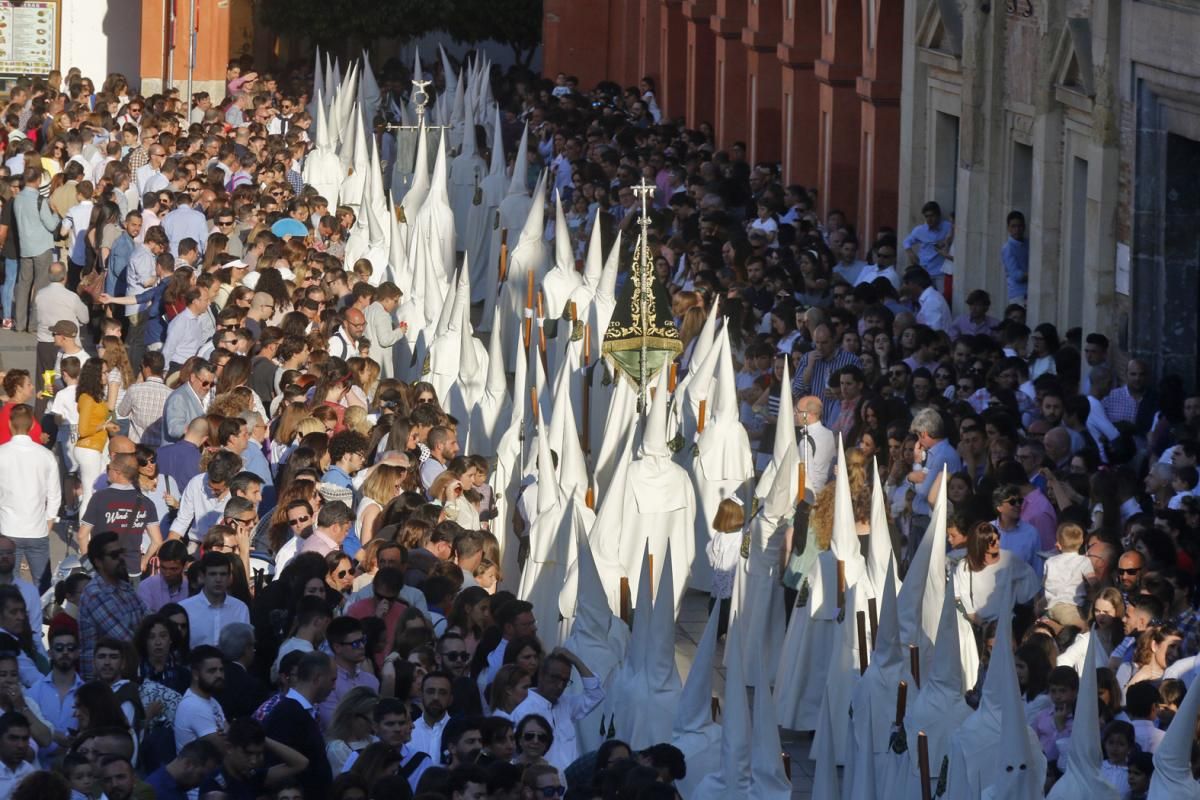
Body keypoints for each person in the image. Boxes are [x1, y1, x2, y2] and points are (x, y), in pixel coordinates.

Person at [510, 648, 605, 772]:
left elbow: (596, 694)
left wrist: (575, 660)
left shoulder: (567, 704)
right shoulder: (523, 710)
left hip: (570, 780)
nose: (560, 686)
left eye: (565, 681)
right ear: (541, 675)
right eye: (555, 678)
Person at [0, 406, 59, 587]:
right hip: (37, 528)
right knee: (43, 585)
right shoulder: (46, 455)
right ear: (33, 424)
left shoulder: (2, 453)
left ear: (10, 424)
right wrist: (49, 521)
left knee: (8, 584)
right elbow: (55, 494)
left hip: (8, 528)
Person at [263, 652, 335, 797]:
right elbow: (278, 765)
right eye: (332, 680)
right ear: (317, 678)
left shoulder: (302, 712)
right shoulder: (287, 714)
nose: (334, 687)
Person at [77, 531, 146, 680]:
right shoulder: (95, 594)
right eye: (114, 555)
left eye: (121, 552)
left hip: (124, 675)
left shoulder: (124, 586)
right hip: (102, 683)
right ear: (98, 562)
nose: (121, 558)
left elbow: (148, 618)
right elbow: (126, 639)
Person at [179, 553, 251, 649]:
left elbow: (246, 647)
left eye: (223, 574)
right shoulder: (185, 609)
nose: (218, 579)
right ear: (202, 576)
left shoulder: (240, 609)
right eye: (213, 574)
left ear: (229, 577)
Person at [173, 644, 227, 750]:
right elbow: (225, 749)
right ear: (195, 675)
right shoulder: (194, 706)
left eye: (221, 670)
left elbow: (230, 736)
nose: (219, 675)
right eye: (212, 671)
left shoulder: (212, 701)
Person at [144, 738, 223, 800]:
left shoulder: (178, 787)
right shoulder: (154, 791)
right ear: (188, 764)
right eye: (201, 775)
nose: (201, 783)